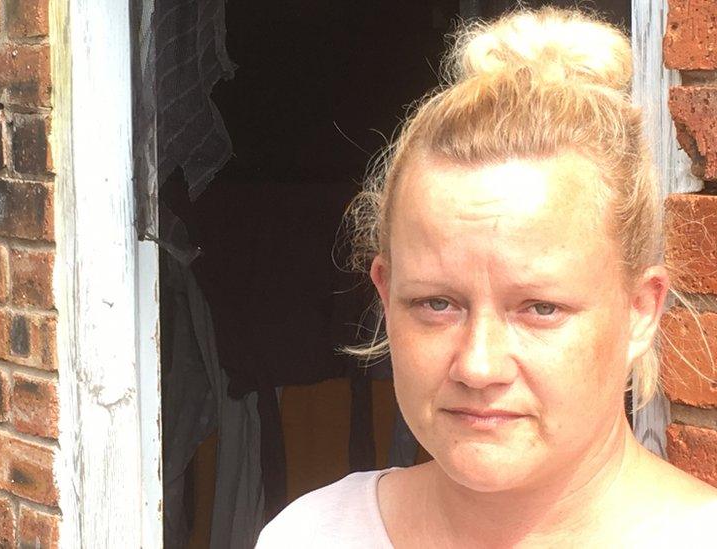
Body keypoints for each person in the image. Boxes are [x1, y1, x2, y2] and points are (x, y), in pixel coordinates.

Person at [256, 7, 717, 548]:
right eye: (436, 304)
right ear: (384, 295)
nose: (478, 366)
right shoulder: (311, 535)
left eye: (540, 308)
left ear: (640, 310)